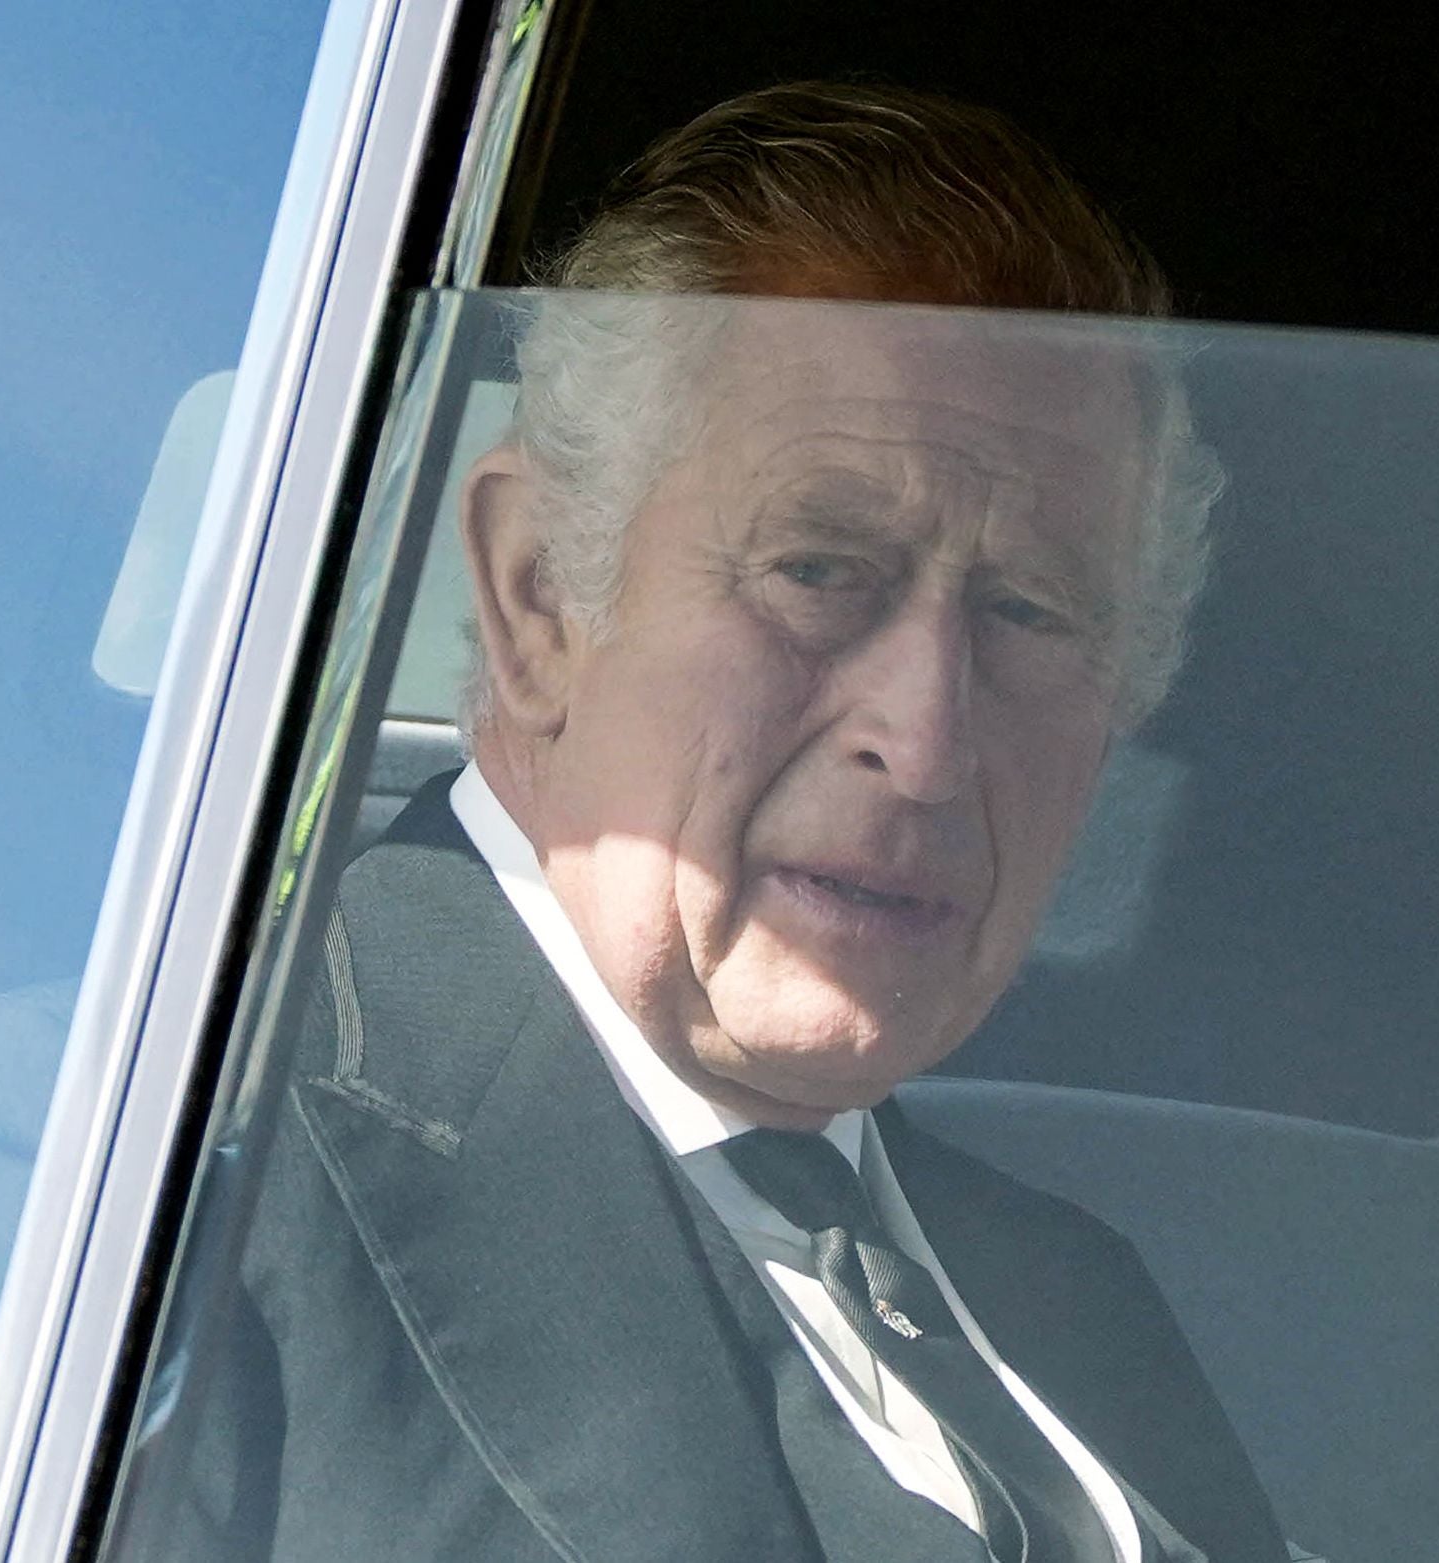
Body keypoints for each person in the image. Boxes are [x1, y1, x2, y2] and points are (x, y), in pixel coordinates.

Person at [135, 83, 1293, 1562]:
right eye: (820, 570)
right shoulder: (157, 1191)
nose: (930, 744)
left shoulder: (1075, 1286)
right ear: (540, 591)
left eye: (1026, 608)